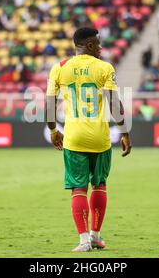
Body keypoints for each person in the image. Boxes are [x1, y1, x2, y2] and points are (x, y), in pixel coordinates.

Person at [45, 27, 132, 252]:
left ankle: (83, 241)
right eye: (99, 45)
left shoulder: (60, 68)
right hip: (100, 137)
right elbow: (114, 103)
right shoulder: (104, 68)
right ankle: (95, 236)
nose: (101, 49)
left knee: (78, 189)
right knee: (99, 185)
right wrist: (124, 132)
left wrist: (54, 131)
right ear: (90, 45)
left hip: (73, 137)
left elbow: (49, 105)